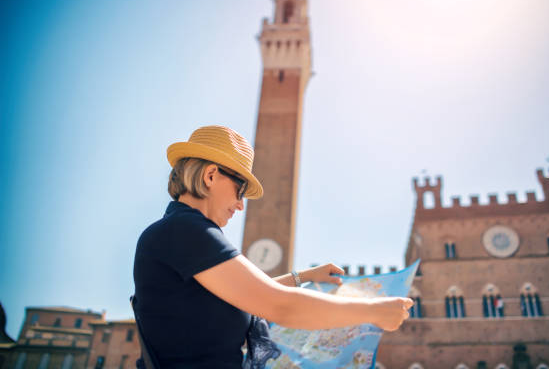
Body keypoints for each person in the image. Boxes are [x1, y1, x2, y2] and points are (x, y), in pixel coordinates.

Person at [133, 125, 413, 368]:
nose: (241, 205)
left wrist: (303, 277)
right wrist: (374, 311)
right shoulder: (186, 231)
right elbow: (278, 306)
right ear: (210, 176)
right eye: (240, 190)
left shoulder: (178, 231)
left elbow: (247, 297)